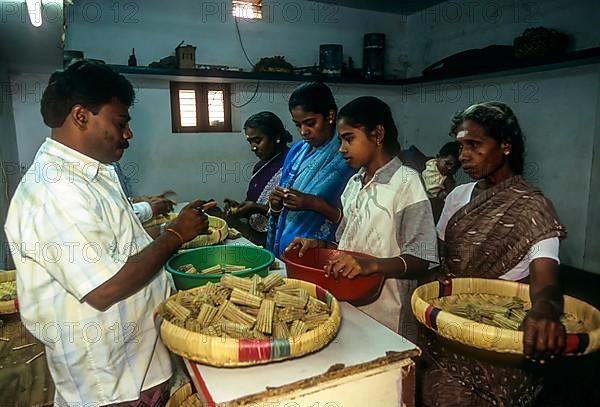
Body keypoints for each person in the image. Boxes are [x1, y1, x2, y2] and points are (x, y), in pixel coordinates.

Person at [4, 61, 214, 406]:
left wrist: (167, 230)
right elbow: (104, 288)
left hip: (137, 360)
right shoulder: (54, 191)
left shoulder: (92, 172)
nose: (128, 134)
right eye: (121, 123)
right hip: (109, 380)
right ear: (82, 116)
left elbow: (116, 243)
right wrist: (175, 235)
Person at [420, 101, 567, 407]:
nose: (463, 156)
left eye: (475, 145)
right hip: (451, 328)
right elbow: (437, 258)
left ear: (506, 146)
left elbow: (546, 279)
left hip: (498, 335)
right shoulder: (458, 197)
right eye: (461, 146)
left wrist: (545, 311)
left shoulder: (533, 208)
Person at [286, 96, 438, 340]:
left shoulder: (406, 182)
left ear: (377, 135)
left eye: (349, 139)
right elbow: (347, 243)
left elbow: (421, 258)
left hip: (388, 314)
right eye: (340, 140)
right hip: (348, 302)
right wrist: (321, 247)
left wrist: (373, 265)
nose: (341, 149)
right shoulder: (354, 183)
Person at [267, 82, 355, 257]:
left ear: (330, 115)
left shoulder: (347, 156)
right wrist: (276, 205)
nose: (303, 131)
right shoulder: (297, 151)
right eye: (298, 125)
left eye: (310, 123)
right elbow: (281, 205)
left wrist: (313, 203)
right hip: (287, 247)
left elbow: (357, 219)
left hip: (322, 253)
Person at [224, 112, 292, 246]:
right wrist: (239, 208)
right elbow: (254, 202)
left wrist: (256, 208)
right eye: (250, 142)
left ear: (276, 137)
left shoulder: (292, 164)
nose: (253, 148)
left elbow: (291, 214)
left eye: (257, 141)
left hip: (279, 240)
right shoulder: (259, 166)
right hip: (255, 236)